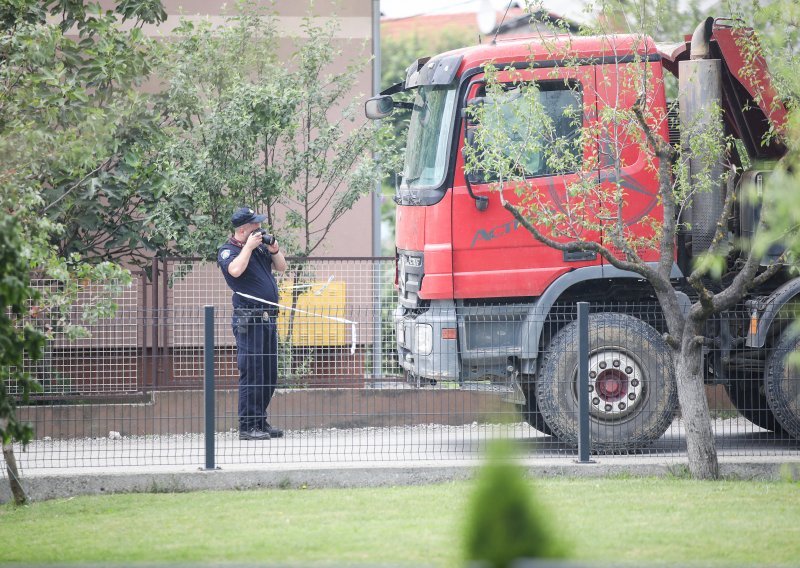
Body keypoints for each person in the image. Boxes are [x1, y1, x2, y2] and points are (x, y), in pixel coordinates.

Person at [217, 206, 288, 440]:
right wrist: (247, 247)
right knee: (252, 372)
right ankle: (247, 426)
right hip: (249, 319)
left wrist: (274, 249)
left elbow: (282, 267)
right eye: (255, 226)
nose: (260, 229)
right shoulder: (228, 251)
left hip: (268, 318)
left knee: (268, 373)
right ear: (243, 229)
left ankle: (260, 421)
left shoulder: (259, 249)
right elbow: (235, 271)